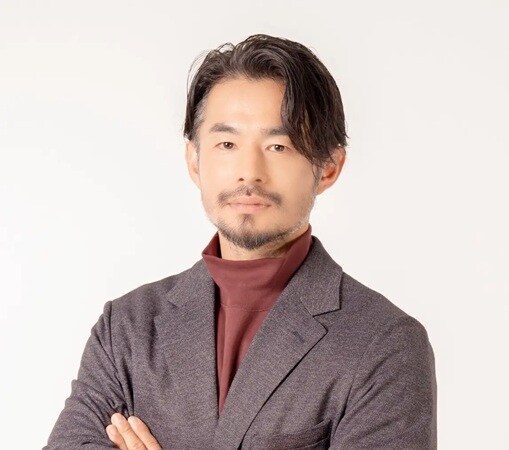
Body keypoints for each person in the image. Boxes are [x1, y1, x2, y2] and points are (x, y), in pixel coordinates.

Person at [43, 34, 437, 450]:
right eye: (227, 144)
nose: (249, 172)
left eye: (278, 145)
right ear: (195, 160)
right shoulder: (126, 327)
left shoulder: (384, 343)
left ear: (328, 168)